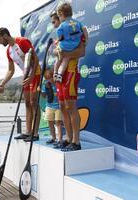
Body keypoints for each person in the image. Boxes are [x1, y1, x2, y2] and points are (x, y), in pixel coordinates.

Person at [0, 27, 41, 142]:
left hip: (35, 73)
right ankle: (28, 131)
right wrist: (2, 84)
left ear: (5, 35)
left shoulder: (22, 41)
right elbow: (11, 70)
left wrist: (31, 77)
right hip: (26, 75)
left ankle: (35, 133)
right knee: (27, 104)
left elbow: (35, 59)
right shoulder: (8, 51)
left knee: (33, 101)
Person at [50, 9, 87, 151]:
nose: (55, 25)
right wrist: (57, 51)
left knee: (71, 106)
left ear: (61, 17)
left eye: (55, 21)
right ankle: (68, 138)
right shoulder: (60, 36)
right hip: (61, 73)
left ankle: (76, 141)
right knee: (62, 106)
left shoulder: (78, 29)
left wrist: (65, 53)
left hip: (71, 71)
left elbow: (82, 51)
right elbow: (55, 52)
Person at [53, 2, 88, 83]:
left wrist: (58, 41)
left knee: (59, 59)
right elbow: (85, 29)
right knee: (65, 59)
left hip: (64, 48)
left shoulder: (62, 26)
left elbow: (59, 36)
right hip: (74, 45)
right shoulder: (77, 22)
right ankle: (59, 74)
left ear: (61, 14)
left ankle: (55, 73)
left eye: (59, 16)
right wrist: (86, 39)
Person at [41, 68, 63, 146]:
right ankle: (53, 138)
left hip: (58, 107)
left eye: (50, 77)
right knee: (50, 122)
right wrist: (40, 91)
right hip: (49, 106)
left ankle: (60, 140)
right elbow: (44, 96)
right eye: (47, 78)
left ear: (54, 75)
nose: (49, 80)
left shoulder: (58, 83)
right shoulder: (46, 84)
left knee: (58, 122)